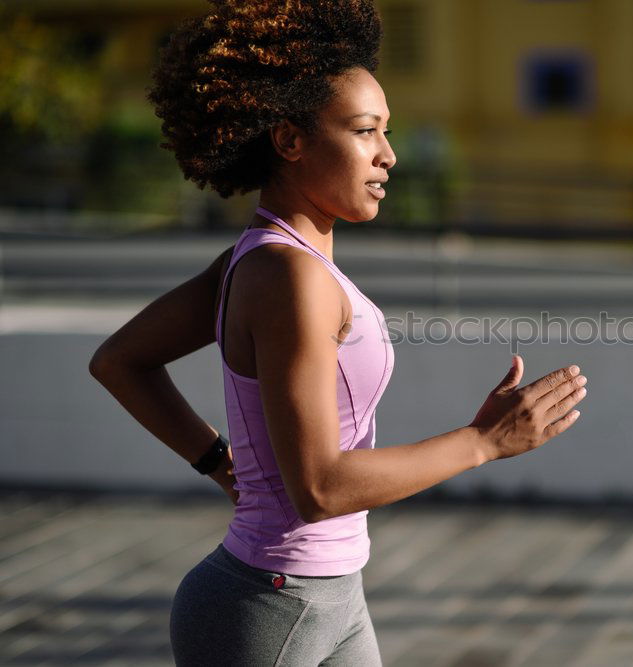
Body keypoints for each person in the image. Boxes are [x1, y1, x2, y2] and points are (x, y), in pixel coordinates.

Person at [87, 1, 588, 665]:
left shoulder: (270, 259)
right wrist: (483, 442)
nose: (389, 154)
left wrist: (221, 462)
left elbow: (120, 360)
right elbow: (319, 486)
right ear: (290, 140)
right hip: (267, 609)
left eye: (386, 131)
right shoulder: (284, 273)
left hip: (332, 597)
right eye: (364, 130)